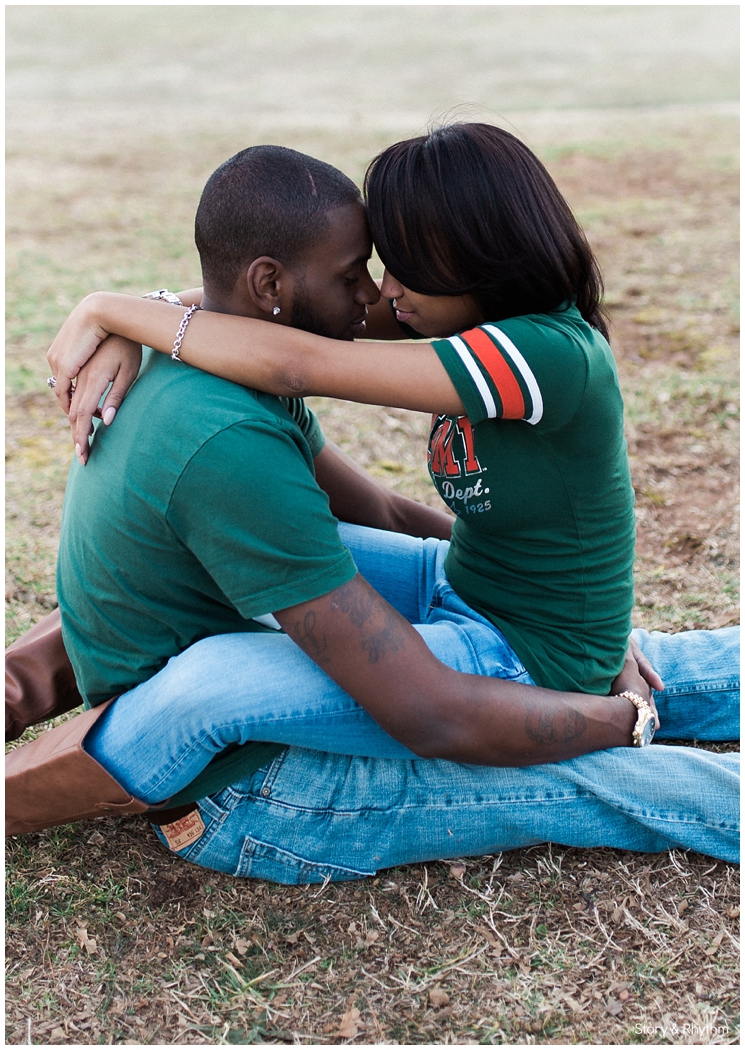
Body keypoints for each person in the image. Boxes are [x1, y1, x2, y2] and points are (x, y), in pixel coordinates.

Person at [12, 136, 738, 872]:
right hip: (490, 598)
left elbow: (300, 357)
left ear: (477, 266)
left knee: (570, 764)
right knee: (625, 675)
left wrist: (114, 308)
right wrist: (140, 312)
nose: (379, 293)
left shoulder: (535, 352)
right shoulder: (442, 318)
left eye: (397, 268)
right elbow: (377, 503)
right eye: (361, 269)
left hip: (518, 646)